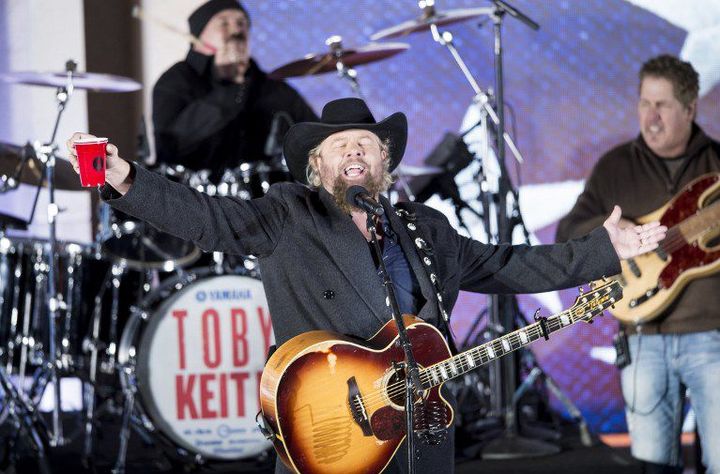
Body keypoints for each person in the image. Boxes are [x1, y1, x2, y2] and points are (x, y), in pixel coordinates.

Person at [68, 97, 665, 473]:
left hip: (418, 431)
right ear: (317, 167)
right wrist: (125, 179)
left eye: (367, 144)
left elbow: (508, 264)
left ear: (384, 165)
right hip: (329, 428)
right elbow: (206, 217)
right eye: (340, 145)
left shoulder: (425, 228)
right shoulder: (288, 214)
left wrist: (600, 249)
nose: (355, 151)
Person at [556, 55, 720, 474]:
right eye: (645, 103)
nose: (651, 116)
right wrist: (610, 230)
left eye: (662, 105)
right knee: (651, 465)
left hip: (712, 336)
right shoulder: (615, 166)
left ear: (689, 108)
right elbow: (567, 232)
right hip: (642, 336)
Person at [152, 0, 318, 180]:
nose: (236, 30)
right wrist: (232, 87)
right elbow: (170, 147)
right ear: (198, 37)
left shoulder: (272, 87)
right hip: (192, 199)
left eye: (242, 23)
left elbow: (315, 138)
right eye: (224, 23)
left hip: (263, 200)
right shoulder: (177, 80)